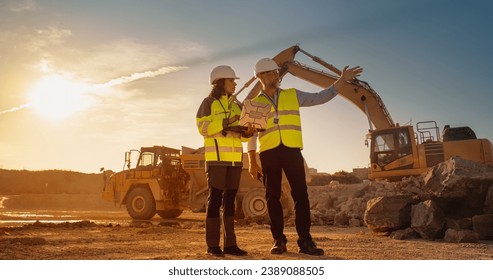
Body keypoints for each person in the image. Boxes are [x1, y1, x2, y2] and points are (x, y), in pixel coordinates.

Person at [247, 58, 363, 255]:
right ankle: (278, 240)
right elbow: (251, 136)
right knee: (272, 197)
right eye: (269, 73)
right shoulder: (253, 103)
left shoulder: (292, 95)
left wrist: (341, 80)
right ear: (260, 77)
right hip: (268, 152)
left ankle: (305, 241)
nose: (274, 76)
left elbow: (321, 97)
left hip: (292, 150)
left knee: (301, 195)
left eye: (275, 73)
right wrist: (251, 162)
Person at [196, 65, 254, 256]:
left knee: (230, 202)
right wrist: (224, 123)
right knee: (215, 201)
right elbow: (202, 127)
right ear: (220, 82)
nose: (235, 84)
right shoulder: (208, 102)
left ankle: (230, 245)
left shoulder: (237, 105)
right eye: (231, 81)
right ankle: (213, 246)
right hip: (216, 160)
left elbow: (242, 136)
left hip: (235, 161)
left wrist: (248, 132)